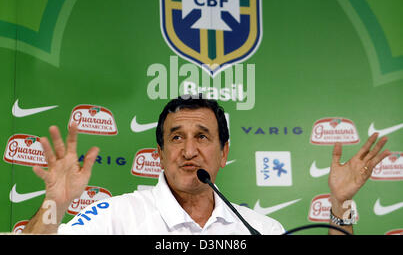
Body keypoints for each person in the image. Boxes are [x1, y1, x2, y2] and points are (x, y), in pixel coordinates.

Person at [22, 97, 390, 235]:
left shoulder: (261, 229)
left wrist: (340, 205)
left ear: (224, 152)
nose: (189, 150)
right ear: (161, 153)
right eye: (176, 138)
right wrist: (56, 202)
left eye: (202, 137)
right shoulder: (116, 216)